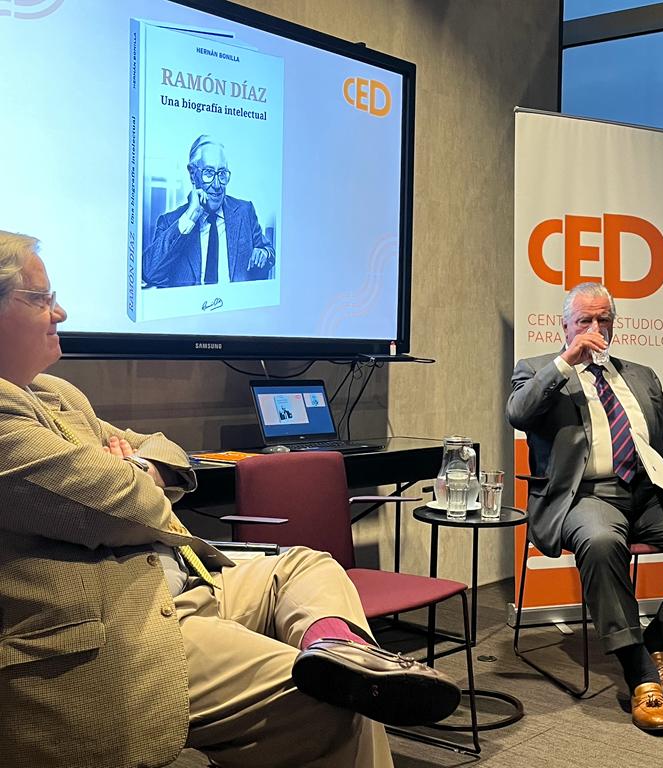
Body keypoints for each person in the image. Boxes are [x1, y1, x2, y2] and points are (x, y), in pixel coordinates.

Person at [0, 230, 459, 768]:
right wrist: (134, 474)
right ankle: (338, 678)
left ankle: (339, 650)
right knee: (326, 707)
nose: (60, 312)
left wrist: (135, 467)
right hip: (118, 621)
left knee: (307, 566)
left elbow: (165, 451)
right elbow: (123, 504)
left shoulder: (55, 393)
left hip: (174, 578)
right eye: (40, 298)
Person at [507, 282, 663, 733]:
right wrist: (566, 361)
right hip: (586, 496)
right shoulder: (538, 369)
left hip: (650, 494)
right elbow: (518, 412)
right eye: (585, 321)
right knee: (600, 541)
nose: (595, 329)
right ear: (565, 326)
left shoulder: (640, 374)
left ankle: (658, 637)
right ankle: (639, 671)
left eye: (604, 320)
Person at [143, 135, 275, 288]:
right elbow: (150, 273)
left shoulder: (245, 212)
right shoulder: (170, 222)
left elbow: (268, 251)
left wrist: (264, 253)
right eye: (209, 173)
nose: (217, 185)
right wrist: (190, 216)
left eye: (222, 173)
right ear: (193, 175)